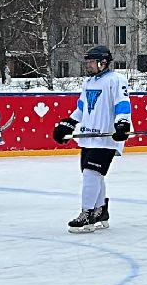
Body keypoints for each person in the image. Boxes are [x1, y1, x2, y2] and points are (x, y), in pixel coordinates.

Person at [52, 45, 131, 232]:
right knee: (95, 177)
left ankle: (86, 213)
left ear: (103, 62)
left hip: (106, 138)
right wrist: (69, 123)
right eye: (86, 62)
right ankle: (100, 211)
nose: (87, 65)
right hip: (88, 137)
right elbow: (81, 108)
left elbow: (122, 103)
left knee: (91, 174)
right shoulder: (88, 83)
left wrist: (122, 123)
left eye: (91, 62)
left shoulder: (116, 80)